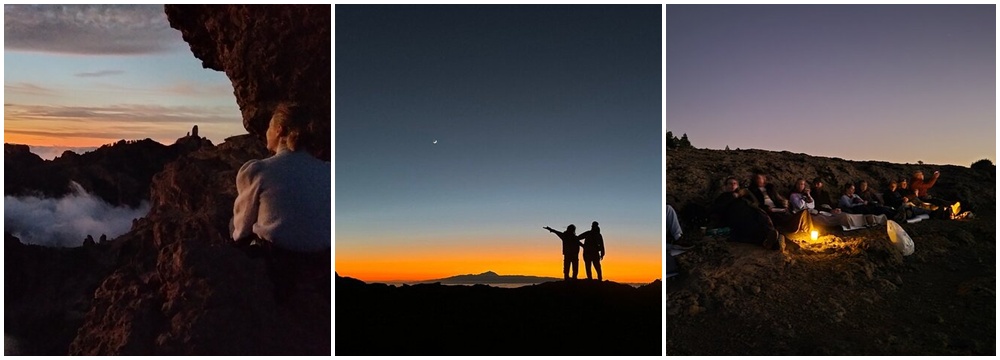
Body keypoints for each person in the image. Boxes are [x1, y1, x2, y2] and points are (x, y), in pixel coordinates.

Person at [231, 101, 331, 302]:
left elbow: (241, 229)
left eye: (269, 126)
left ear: (279, 130)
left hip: (278, 264)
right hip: (322, 264)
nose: (266, 132)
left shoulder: (259, 171)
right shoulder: (328, 171)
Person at [710, 177, 783, 250]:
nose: (732, 185)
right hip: (737, 215)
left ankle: (772, 239)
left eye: (734, 184)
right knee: (750, 226)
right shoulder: (723, 196)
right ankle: (770, 241)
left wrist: (746, 193)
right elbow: (717, 209)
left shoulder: (742, 196)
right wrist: (732, 197)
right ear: (725, 187)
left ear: (737, 186)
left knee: (763, 218)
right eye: (730, 184)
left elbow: (755, 202)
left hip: (752, 212)